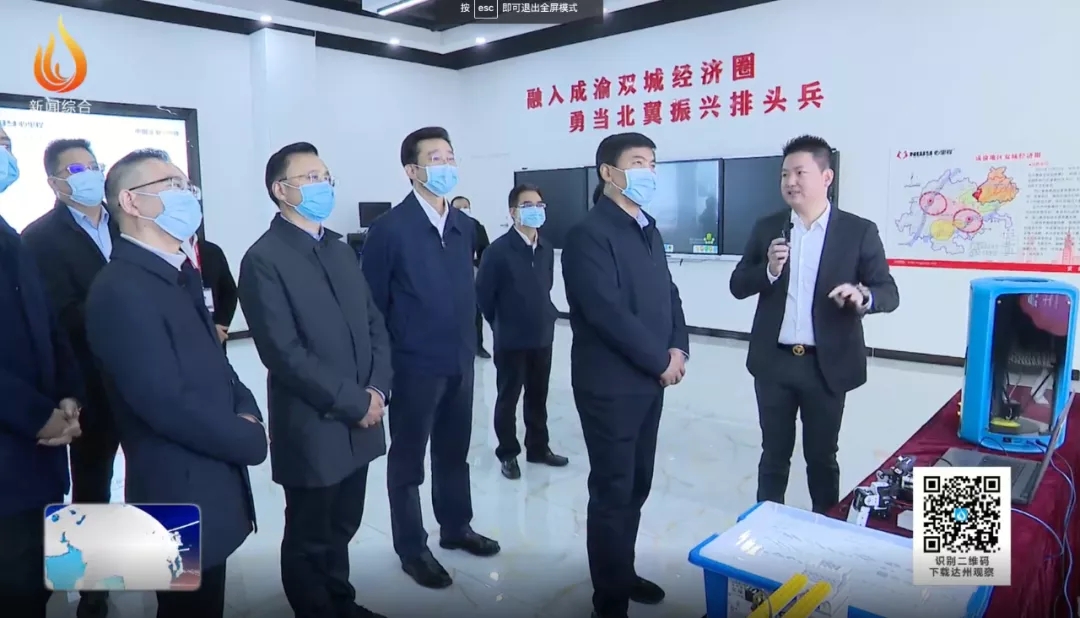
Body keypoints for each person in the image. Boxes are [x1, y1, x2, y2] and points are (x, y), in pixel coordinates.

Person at [85, 149, 267, 618]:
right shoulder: (121, 288)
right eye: (171, 185)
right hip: (175, 487)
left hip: (211, 476)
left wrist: (247, 406)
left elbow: (219, 364)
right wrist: (247, 437)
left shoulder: (178, 272)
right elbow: (164, 403)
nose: (187, 195)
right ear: (130, 201)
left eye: (187, 186)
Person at [238, 142, 391, 618]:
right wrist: (354, 401)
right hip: (314, 421)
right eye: (310, 177)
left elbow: (374, 323)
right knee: (310, 533)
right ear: (280, 190)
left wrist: (378, 389)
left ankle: (341, 601)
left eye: (326, 176)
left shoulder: (340, 250)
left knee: (344, 522)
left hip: (363, 413)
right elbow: (283, 353)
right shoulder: (263, 259)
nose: (323, 185)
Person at [729, 135, 899, 514]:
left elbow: (888, 292)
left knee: (822, 457)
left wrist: (862, 296)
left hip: (826, 366)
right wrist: (769, 270)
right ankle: (766, 525)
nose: (790, 181)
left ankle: (826, 525)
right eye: (784, 174)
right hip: (774, 363)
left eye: (799, 172)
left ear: (826, 177)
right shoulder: (767, 228)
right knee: (773, 454)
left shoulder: (858, 231)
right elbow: (738, 284)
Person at [362, 127, 499, 590]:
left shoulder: (463, 227)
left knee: (454, 452)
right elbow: (372, 306)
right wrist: (381, 370)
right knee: (407, 461)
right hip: (413, 365)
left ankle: (456, 526)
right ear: (412, 170)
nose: (446, 165)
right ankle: (412, 547)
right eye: (435, 158)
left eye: (450, 156)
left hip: (460, 360)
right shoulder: (389, 229)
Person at [562, 132, 689, 618]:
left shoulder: (647, 228)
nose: (649, 172)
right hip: (610, 386)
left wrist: (678, 346)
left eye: (653, 163)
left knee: (637, 484)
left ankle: (623, 572)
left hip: (649, 381)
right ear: (608, 173)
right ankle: (609, 601)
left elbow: (669, 293)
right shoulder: (588, 234)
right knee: (613, 492)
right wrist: (660, 361)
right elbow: (606, 312)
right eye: (638, 163)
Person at [19, 138, 116, 618]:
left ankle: (159, 569)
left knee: (158, 478)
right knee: (92, 486)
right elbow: (56, 318)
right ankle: (91, 592)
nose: (90, 174)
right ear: (54, 182)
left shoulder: (128, 221)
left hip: (146, 381)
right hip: (88, 384)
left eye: (93, 165)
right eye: (76, 169)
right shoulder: (37, 238)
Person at [0, 127, 85, 618]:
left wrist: (69, 394)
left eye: (7, 144)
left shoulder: (10, 235)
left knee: (35, 581)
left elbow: (48, 325)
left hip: (41, 456)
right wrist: (37, 415)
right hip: (10, 454)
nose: (5, 155)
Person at [476, 183, 567, 480]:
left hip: (542, 334)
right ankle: (508, 453)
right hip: (511, 338)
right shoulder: (497, 251)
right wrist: (501, 323)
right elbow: (484, 296)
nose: (536, 210)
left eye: (540, 205)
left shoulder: (546, 248)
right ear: (513, 212)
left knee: (538, 396)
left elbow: (546, 286)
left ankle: (538, 448)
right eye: (528, 205)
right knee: (508, 397)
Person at [450, 195, 492, 359]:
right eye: (458, 208)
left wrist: (476, 265)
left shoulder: (477, 227)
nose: (462, 211)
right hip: (449, 278)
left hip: (471, 276)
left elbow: (486, 252)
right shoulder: (445, 227)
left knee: (475, 312)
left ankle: (478, 346)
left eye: (465, 207)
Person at [181, 235, 238, 349]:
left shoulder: (212, 251)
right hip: (184, 339)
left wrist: (220, 325)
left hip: (216, 337)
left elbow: (229, 292)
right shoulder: (167, 254)